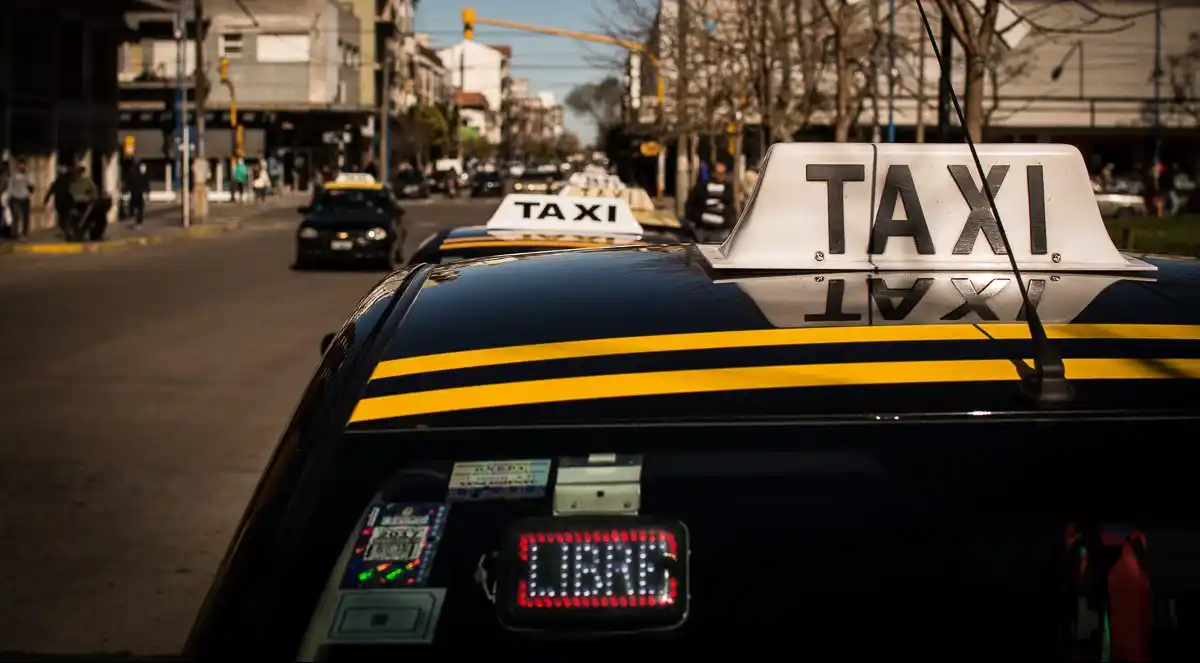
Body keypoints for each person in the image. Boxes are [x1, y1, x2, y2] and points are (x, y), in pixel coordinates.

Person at [685, 161, 737, 243]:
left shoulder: (727, 188)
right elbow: (691, 204)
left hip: (719, 230)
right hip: (704, 230)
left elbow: (730, 207)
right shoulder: (702, 186)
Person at [44, 165, 74, 238]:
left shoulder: (64, 181)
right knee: (64, 216)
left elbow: (51, 191)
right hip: (63, 201)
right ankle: (64, 229)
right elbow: (51, 191)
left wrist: (46, 199)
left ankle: (64, 229)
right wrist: (46, 199)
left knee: (63, 216)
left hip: (62, 201)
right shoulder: (65, 181)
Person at [125, 161, 149, 227]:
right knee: (139, 208)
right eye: (143, 167)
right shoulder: (140, 175)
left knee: (135, 208)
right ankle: (137, 221)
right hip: (138, 194)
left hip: (135, 194)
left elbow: (129, 184)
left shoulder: (134, 174)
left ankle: (135, 219)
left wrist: (128, 191)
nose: (144, 169)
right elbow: (145, 185)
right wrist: (146, 193)